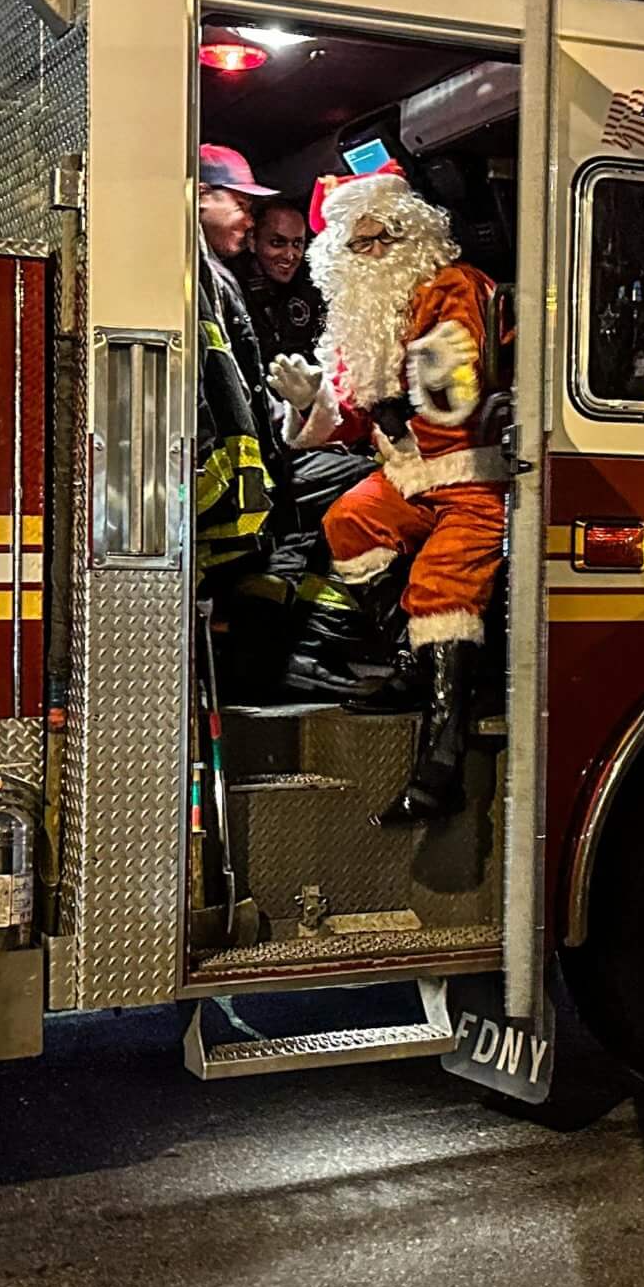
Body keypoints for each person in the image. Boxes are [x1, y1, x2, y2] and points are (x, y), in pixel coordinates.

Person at [269, 167, 509, 822]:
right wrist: (307, 405)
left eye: (383, 239)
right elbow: (346, 413)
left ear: (414, 234)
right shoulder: (363, 321)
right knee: (350, 520)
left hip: (469, 476)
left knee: (442, 585)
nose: (373, 255)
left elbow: (455, 382)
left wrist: (400, 395)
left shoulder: (454, 286)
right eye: (360, 244)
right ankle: (411, 663)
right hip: (408, 478)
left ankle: (442, 759)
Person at [193, 146, 276, 582]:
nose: (249, 221)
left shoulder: (211, 271)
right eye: (241, 205)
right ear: (202, 194)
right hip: (212, 479)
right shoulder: (195, 271)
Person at [234, 200, 323, 364]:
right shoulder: (232, 287)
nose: (290, 255)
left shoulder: (313, 285)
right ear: (252, 240)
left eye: (297, 244)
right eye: (277, 243)